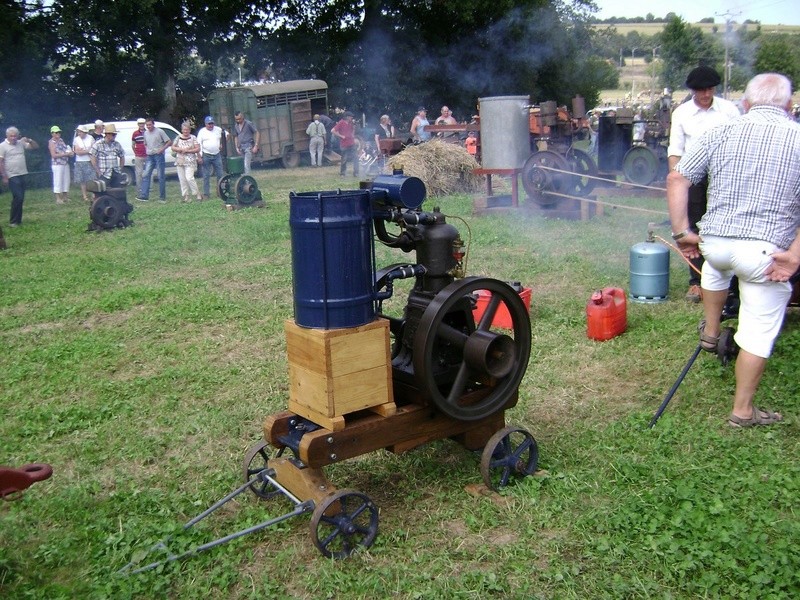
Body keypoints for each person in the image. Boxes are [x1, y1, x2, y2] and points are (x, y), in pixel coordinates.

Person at [666, 72, 800, 428]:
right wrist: (796, 253)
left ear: (746, 103)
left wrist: (682, 232)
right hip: (765, 254)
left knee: (716, 266)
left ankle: (711, 331)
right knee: (756, 331)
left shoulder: (722, 129)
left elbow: (677, 176)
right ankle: (742, 411)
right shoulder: (798, 136)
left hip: (717, 245)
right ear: (788, 105)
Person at [667, 66, 741, 303]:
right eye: (701, 91)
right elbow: (675, 151)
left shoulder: (729, 111)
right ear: (692, 91)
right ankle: (696, 281)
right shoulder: (681, 113)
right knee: (693, 226)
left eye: (709, 90)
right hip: (693, 177)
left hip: (724, 176)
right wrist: (677, 186)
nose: (705, 95)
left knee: (725, 225)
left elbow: (741, 143)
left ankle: (728, 281)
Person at [0, 126, 39, 227]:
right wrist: (4, 176)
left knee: (20, 198)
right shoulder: (2, 146)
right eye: (11, 136)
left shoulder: (20, 143)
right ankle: (13, 221)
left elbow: (35, 147)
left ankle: (18, 220)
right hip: (11, 175)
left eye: (15, 136)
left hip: (22, 173)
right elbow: (1, 162)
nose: (13, 138)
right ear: (7, 136)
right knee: (18, 197)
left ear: (17, 136)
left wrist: (29, 140)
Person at [137, 118, 172, 202]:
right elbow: (145, 143)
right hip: (150, 156)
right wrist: (147, 150)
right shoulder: (145, 133)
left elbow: (169, 141)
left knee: (160, 176)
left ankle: (162, 197)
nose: (148, 126)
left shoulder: (160, 131)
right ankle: (144, 196)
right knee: (146, 175)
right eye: (147, 125)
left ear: (153, 124)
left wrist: (162, 149)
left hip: (158, 155)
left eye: (150, 124)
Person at [172, 121, 202, 203]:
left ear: (189, 130)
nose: (185, 131)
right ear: (182, 130)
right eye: (184, 130)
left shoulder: (193, 137)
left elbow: (197, 149)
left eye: (187, 130)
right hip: (180, 160)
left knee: (189, 178)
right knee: (182, 179)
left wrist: (188, 151)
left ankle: (197, 194)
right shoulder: (178, 137)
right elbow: (173, 147)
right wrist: (180, 149)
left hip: (190, 161)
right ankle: (186, 196)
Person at [197, 116, 225, 200]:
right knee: (206, 175)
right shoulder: (202, 132)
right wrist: (200, 156)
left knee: (220, 174)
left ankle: (220, 192)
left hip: (217, 155)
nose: (211, 125)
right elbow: (199, 144)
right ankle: (206, 194)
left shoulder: (218, 129)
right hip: (206, 155)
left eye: (212, 123)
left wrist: (222, 143)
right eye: (209, 124)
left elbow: (227, 135)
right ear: (205, 124)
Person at [48, 125, 73, 204]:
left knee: (66, 180)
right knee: (58, 180)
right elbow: (53, 155)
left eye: (59, 132)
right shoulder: (51, 142)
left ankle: (65, 197)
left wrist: (70, 153)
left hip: (65, 163)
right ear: (52, 134)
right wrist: (65, 154)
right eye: (56, 132)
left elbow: (66, 149)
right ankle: (58, 198)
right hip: (57, 164)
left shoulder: (61, 140)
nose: (58, 134)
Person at [72, 124, 95, 202]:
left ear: (84, 132)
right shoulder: (76, 139)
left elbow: (93, 149)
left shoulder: (90, 138)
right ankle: (84, 196)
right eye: (78, 132)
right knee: (82, 180)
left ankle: (93, 194)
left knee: (91, 178)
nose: (79, 133)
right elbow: (77, 152)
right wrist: (87, 151)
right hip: (80, 161)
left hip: (89, 160)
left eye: (80, 132)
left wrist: (84, 151)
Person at [331, 111, 358, 177]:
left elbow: (352, 131)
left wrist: (353, 135)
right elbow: (332, 131)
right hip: (344, 144)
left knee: (356, 158)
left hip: (351, 143)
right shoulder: (341, 122)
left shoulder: (351, 123)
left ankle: (356, 173)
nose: (352, 118)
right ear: (347, 117)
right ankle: (342, 174)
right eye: (351, 116)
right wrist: (341, 136)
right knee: (344, 159)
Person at [131, 118, 147, 197]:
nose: (141, 125)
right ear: (138, 124)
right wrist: (136, 153)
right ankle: (139, 188)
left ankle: (149, 187)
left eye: (143, 123)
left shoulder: (148, 132)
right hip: (139, 155)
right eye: (140, 124)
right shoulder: (135, 133)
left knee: (148, 172)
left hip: (147, 155)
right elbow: (133, 145)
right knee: (139, 173)